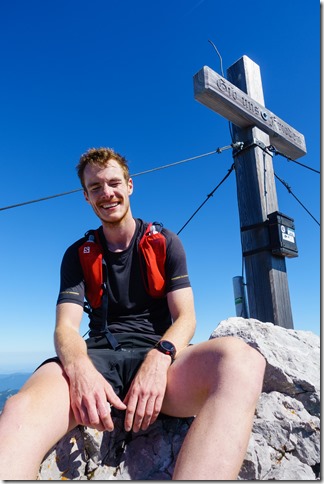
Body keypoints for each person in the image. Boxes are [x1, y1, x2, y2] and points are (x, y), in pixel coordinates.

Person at [0, 147, 266, 480]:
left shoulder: (165, 242)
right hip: (97, 358)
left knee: (243, 361)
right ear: (85, 197)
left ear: (129, 185)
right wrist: (80, 371)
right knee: (18, 411)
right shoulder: (77, 255)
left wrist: (161, 358)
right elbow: (65, 328)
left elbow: (186, 317)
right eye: (95, 188)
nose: (106, 193)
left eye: (113, 183)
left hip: (161, 363)